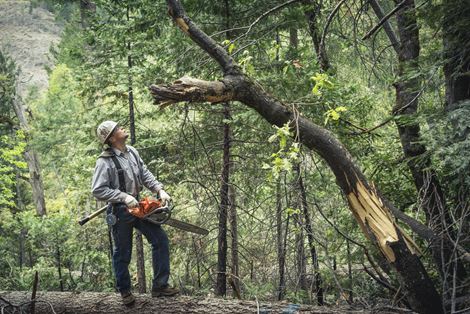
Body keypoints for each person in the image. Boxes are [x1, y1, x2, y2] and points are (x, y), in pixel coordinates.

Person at [91, 120, 179, 305]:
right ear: (112, 137)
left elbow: (144, 173)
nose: (122, 129)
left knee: (160, 240)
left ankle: (160, 286)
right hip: (120, 211)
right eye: (118, 128)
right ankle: (125, 292)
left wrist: (159, 189)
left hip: (138, 206)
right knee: (123, 253)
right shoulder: (104, 161)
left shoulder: (132, 152)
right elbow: (98, 190)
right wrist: (122, 197)